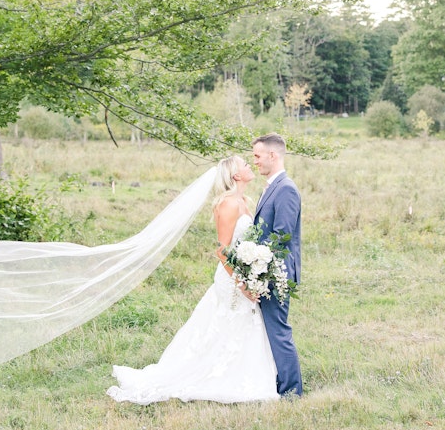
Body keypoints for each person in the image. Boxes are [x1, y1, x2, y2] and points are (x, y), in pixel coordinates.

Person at [106, 155, 279, 404]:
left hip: (243, 274)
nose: (250, 165)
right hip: (231, 279)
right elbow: (222, 250)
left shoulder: (243, 201)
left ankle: (244, 374)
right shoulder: (228, 204)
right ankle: (217, 376)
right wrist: (242, 283)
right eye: (244, 164)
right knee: (227, 323)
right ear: (235, 175)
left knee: (242, 324)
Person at [251, 133, 303, 397]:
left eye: (258, 156)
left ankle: (292, 390)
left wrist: (258, 268)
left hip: (276, 275)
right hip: (265, 272)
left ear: (273, 155)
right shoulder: (272, 186)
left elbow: (281, 237)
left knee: (278, 331)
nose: (255, 161)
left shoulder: (286, 189)